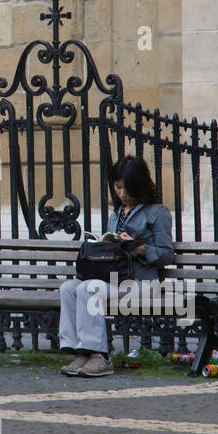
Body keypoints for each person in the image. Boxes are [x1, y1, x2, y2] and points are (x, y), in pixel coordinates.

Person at [58, 157, 174, 377]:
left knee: (88, 288)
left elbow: (166, 254)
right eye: (118, 187)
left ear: (139, 185)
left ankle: (99, 355)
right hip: (114, 279)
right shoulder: (117, 214)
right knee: (69, 288)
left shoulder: (157, 212)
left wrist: (138, 247)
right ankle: (80, 352)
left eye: (127, 188)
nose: (122, 193)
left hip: (143, 282)